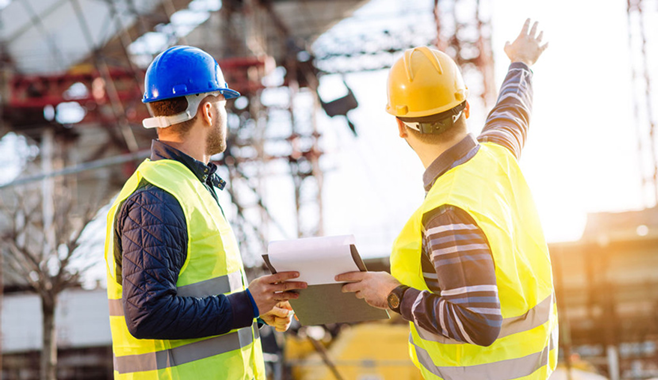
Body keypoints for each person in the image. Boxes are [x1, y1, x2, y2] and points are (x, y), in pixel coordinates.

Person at [336, 19, 557, 379]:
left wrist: (393, 295)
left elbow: (478, 323)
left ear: (400, 126)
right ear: (466, 109)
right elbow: (512, 112)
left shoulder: (448, 211)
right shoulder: (496, 158)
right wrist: (521, 63)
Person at [103, 45, 307, 380]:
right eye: (224, 104)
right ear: (208, 111)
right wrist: (247, 304)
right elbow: (148, 314)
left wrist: (254, 312)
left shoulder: (186, 187)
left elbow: (194, 297)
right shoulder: (157, 198)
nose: (226, 115)